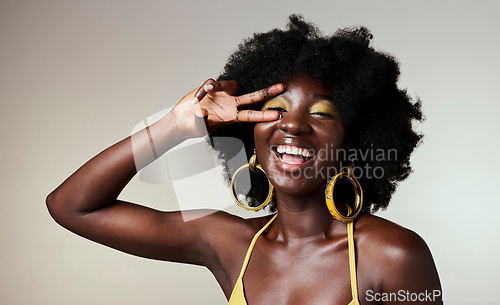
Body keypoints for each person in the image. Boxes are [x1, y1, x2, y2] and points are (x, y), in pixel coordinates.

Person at [47, 15, 442, 304]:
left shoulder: (394, 255)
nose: (293, 126)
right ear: (250, 134)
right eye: (276, 110)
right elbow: (71, 207)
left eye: (321, 113)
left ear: (352, 142)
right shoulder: (229, 243)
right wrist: (174, 127)